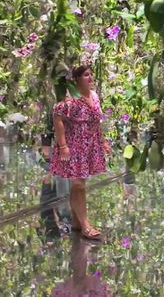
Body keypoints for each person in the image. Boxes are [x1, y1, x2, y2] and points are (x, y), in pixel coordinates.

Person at [52, 65, 110, 241]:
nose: (90, 78)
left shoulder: (94, 96)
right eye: (86, 75)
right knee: (78, 184)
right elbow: (58, 118)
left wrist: (102, 141)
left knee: (80, 183)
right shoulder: (70, 98)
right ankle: (86, 226)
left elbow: (96, 122)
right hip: (75, 145)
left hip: (90, 145)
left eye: (91, 74)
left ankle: (78, 222)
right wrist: (63, 146)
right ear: (76, 79)